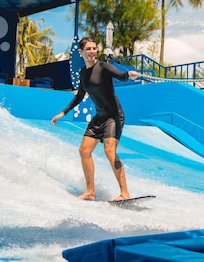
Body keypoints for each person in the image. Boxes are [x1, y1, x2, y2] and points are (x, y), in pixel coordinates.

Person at [51, 37, 139, 202]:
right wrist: (63, 113)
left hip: (114, 116)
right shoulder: (83, 73)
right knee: (84, 151)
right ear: (81, 52)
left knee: (109, 151)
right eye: (89, 49)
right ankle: (90, 192)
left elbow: (121, 76)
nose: (92, 52)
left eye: (94, 48)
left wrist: (129, 75)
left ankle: (124, 193)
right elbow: (79, 97)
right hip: (99, 117)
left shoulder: (103, 67)